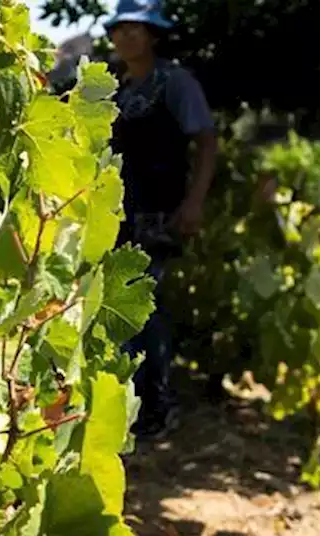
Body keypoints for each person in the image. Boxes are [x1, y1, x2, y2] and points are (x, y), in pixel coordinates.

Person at [104, 0, 218, 440]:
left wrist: (194, 204)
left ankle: (156, 403)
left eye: (137, 29)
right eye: (121, 29)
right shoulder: (112, 84)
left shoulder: (175, 82)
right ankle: (129, 407)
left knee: (143, 311)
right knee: (119, 310)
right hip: (115, 214)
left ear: (153, 36)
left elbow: (206, 142)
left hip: (158, 213)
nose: (127, 37)